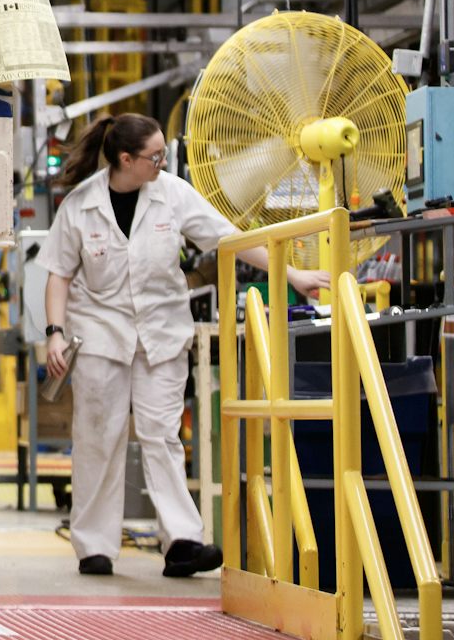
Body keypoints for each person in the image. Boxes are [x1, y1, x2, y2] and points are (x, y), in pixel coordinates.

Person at [41, 112, 328, 578]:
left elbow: (228, 239)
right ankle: (94, 547)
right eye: (154, 157)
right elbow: (58, 274)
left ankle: (182, 542)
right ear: (126, 159)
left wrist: (291, 273)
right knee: (98, 438)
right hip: (100, 337)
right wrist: (54, 333)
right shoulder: (80, 205)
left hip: (161, 333)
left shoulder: (172, 193)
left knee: (163, 436)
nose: (162, 163)